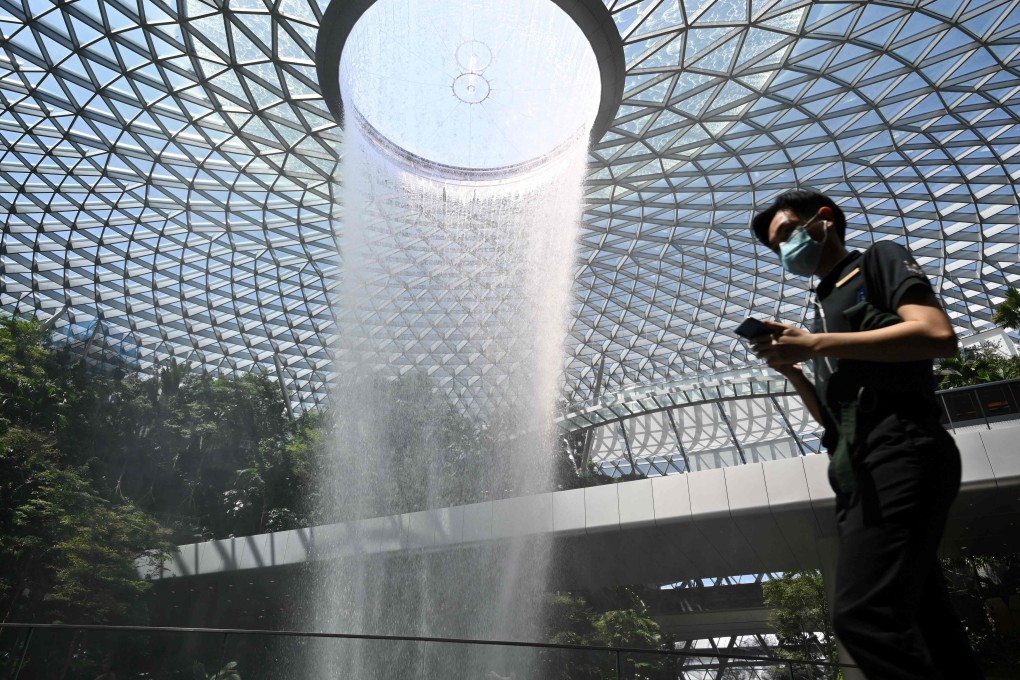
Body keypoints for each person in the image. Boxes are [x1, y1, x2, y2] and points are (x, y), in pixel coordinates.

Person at [747, 189, 983, 679]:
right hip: (857, 471)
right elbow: (829, 420)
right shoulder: (822, 307)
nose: (785, 248)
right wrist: (796, 367)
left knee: (862, 616)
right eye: (776, 245)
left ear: (824, 220)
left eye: (788, 231)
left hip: (901, 448)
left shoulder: (878, 260)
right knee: (926, 623)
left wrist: (818, 343)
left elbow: (938, 335)